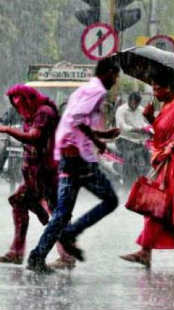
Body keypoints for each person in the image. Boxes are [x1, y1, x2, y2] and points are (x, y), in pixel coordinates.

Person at [27, 58, 121, 274]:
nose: (115, 81)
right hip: (79, 158)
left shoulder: (85, 89)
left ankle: (37, 256)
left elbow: (74, 121)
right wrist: (97, 141)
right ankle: (71, 232)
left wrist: (102, 134)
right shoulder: (97, 91)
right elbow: (77, 119)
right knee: (111, 199)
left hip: (69, 155)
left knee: (61, 212)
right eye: (115, 76)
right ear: (106, 73)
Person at [120, 76, 174, 269]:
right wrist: (151, 118)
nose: (154, 91)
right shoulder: (168, 107)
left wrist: (173, 146)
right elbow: (162, 135)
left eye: (157, 86)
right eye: (153, 87)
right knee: (158, 208)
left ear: (170, 87)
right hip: (169, 165)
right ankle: (146, 251)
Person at [0, 85, 75, 269]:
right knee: (19, 201)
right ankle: (17, 251)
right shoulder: (32, 114)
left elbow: (34, 137)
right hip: (35, 174)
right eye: (16, 105)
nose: (19, 109)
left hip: (48, 173)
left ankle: (66, 255)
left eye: (21, 104)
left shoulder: (44, 113)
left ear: (29, 99)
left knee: (57, 212)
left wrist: (7, 130)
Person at [115, 92, 151, 187]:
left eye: (137, 103)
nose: (135, 106)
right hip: (124, 139)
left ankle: (143, 184)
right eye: (133, 103)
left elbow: (145, 123)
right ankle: (127, 186)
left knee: (149, 159)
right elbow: (122, 126)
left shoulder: (141, 110)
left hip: (139, 140)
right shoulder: (121, 110)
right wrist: (135, 129)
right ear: (129, 101)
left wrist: (148, 129)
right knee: (130, 159)